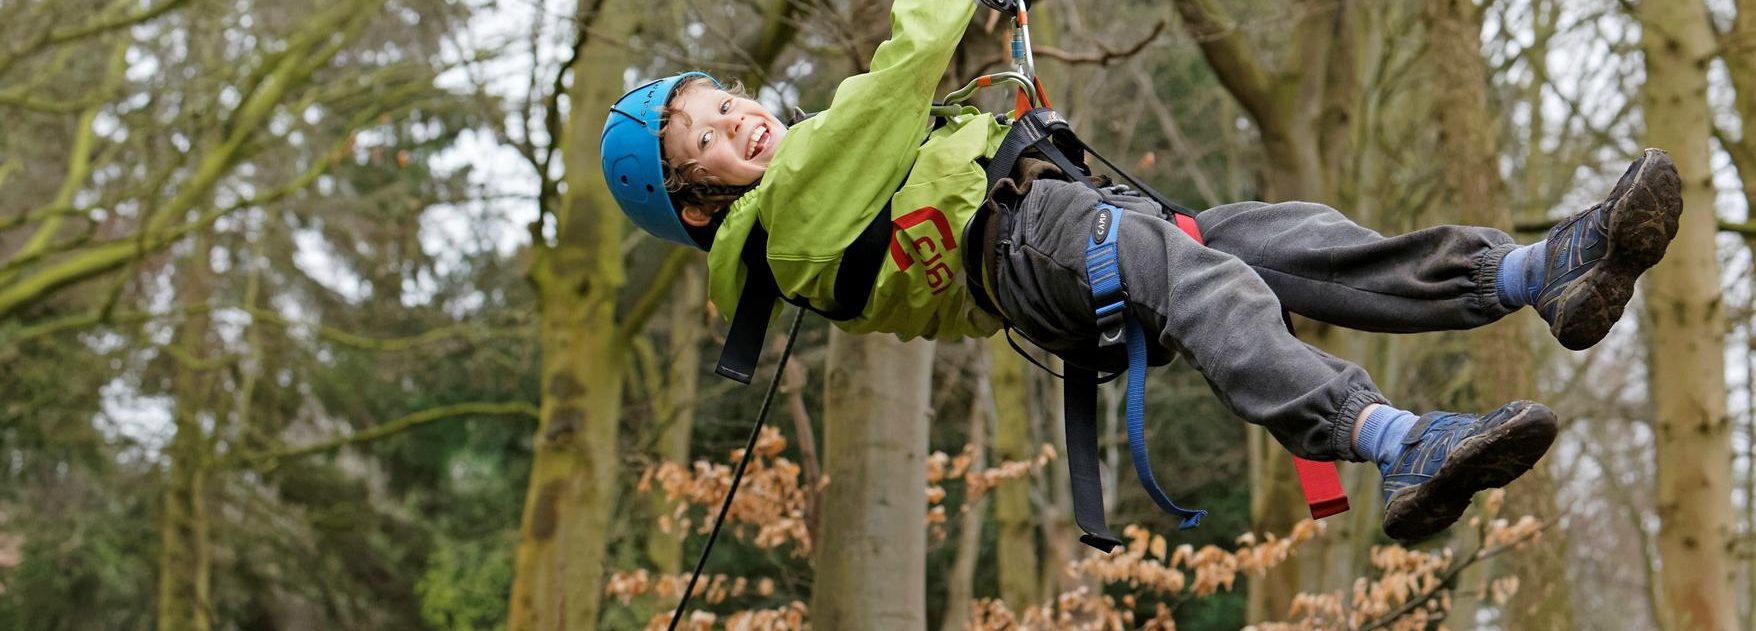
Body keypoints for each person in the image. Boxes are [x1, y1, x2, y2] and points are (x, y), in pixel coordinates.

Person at [598, 0, 1682, 543]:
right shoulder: (784, 222)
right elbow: (904, 70)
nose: (736, 118)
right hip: (1022, 246)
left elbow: (942, 78)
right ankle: (1397, 443)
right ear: (699, 204)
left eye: (722, 100)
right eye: (703, 137)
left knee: (1275, 237)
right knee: (1209, 280)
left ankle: (1541, 272)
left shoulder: (823, 153)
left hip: (1059, 218)